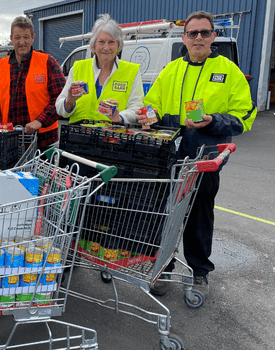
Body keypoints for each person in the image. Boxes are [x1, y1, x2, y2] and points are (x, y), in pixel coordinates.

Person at [138, 11, 257, 297]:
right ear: (184, 38)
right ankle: (163, 268)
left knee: (199, 216)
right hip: (170, 156)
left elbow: (245, 115)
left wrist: (213, 121)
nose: (199, 38)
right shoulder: (171, 70)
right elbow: (151, 104)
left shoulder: (229, 72)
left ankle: (199, 272)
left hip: (206, 158)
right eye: (193, 33)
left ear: (213, 37)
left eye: (205, 33)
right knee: (165, 214)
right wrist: (148, 117)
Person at [0, 16, 65, 151]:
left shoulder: (47, 62)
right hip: (9, 141)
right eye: (17, 37)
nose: (22, 42)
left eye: (26, 37)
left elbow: (60, 99)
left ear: (33, 37)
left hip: (43, 141)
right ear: (11, 38)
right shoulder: (1, 66)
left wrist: (40, 121)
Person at [56, 14, 144, 124]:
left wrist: (120, 117)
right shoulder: (78, 68)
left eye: (111, 42)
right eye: (101, 42)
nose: (106, 48)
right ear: (94, 45)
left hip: (113, 138)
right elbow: (59, 107)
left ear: (118, 45)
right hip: (79, 137)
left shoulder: (132, 70)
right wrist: (69, 101)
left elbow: (136, 107)